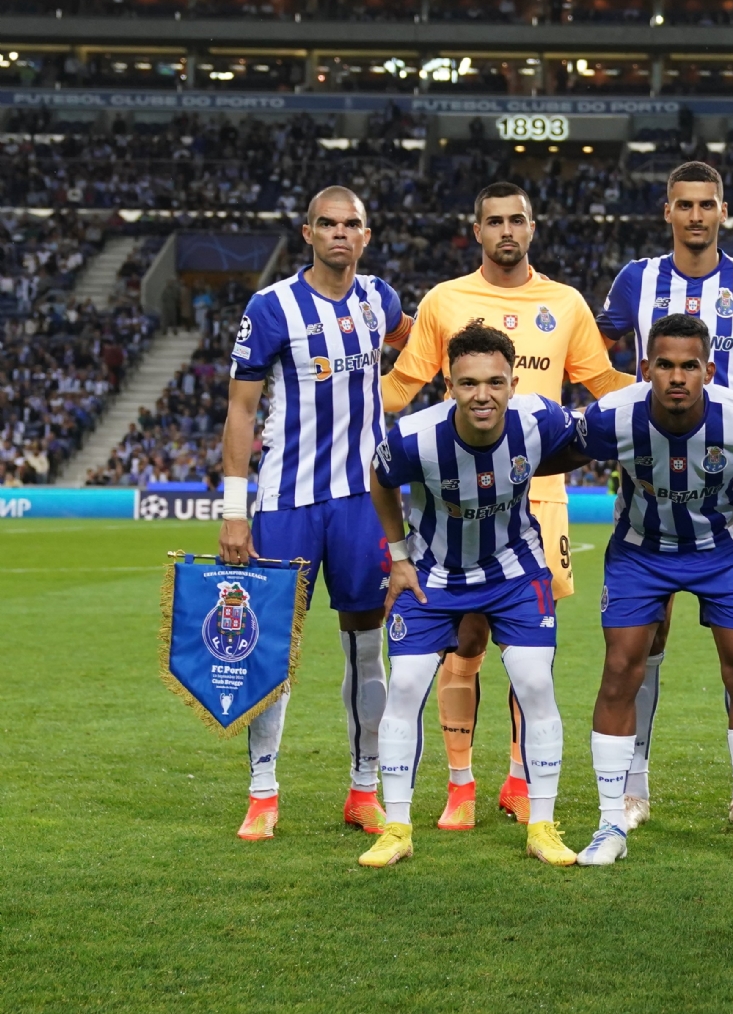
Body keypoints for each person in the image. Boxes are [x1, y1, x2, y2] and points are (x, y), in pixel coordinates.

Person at [380, 181, 635, 830]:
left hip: (538, 502)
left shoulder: (565, 303)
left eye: (516, 219)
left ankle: (521, 779)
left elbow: (603, 387)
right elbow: (403, 385)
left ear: (533, 227)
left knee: (530, 656)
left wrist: (667, 394)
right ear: (476, 229)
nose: (506, 231)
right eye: (493, 220)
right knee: (460, 647)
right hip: (454, 504)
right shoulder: (444, 301)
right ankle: (460, 782)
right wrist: (328, 421)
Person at [537, 314, 733, 867]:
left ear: (708, 370)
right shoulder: (612, 417)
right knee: (620, 669)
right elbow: (556, 455)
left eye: (690, 365)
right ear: (646, 369)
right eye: (664, 364)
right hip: (641, 549)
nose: (677, 376)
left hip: (729, 549)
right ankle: (610, 821)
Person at [596, 161, 733, 833]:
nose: (697, 215)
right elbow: (598, 348)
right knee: (641, 644)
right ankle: (632, 788)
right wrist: (631, 412)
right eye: (686, 205)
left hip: (729, 493)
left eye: (708, 205)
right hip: (647, 490)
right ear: (668, 212)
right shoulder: (634, 280)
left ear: (723, 211)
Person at [218, 186, 414, 840]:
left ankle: (363, 790)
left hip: (363, 503)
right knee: (270, 648)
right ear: (307, 233)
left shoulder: (379, 300)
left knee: (366, 649)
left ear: (366, 233)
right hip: (286, 501)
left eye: (350, 224)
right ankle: (262, 791)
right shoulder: (271, 308)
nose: (339, 234)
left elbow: (424, 348)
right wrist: (235, 511)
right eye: (326, 224)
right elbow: (242, 410)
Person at [358, 324, 581, 868]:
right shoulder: (414, 437)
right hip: (434, 574)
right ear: (449, 386)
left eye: (495, 382)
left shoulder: (542, 420)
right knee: (406, 686)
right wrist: (400, 556)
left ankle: (544, 825)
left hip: (515, 571)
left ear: (513, 382)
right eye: (468, 383)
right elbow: (379, 479)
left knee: (533, 683)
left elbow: (583, 444)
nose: (483, 395)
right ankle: (397, 827)